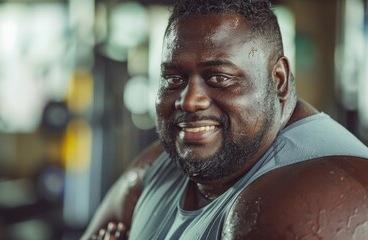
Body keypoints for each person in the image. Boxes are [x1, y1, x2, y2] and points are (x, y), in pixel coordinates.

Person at [81, 0, 368, 239]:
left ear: (278, 80)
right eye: (173, 78)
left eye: (219, 77)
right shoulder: (159, 166)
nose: (189, 101)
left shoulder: (319, 196)